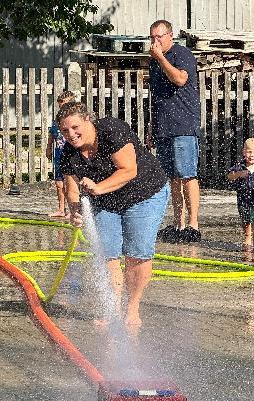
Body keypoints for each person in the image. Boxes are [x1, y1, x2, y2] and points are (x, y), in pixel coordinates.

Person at [58, 102, 170, 326]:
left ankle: (132, 308)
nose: (71, 134)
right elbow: (71, 189)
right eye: (64, 131)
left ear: (88, 120)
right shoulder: (68, 153)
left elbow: (129, 170)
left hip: (144, 194)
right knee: (107, 252)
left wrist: (98, 188)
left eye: (75, 127)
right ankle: (113, 307)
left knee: (137, 252)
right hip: (107, 201)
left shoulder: (111, 130)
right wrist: (75, 211)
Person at [148, 19, 202, 243]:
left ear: (170, 36)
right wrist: (152, 127)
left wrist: (160, 58)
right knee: (171, 177)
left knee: (187, 175)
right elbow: (157, 97)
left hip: (183, 126)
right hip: (163, 126)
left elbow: (180, 79)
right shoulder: (153, 62)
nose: (155, 41)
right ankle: (178, 223)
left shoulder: (182, 54)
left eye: (159, 37)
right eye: (152, 37)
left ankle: (193, 224)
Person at [227, 138, 254, 252]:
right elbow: (229, 176)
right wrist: (238, 174)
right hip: (242, 198)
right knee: (246, 219)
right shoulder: (240, 166)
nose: (252, 155)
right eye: (249, 152)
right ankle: (247, 237)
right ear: (243, 152)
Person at [46, 91, 77, 219]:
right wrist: (48, 148)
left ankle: (73, 210)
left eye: (64, 104)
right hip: (59, 154)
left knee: (71, 183)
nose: (61, 108)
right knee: (59, 183)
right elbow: (52, 134)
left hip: (71, 155)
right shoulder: (57, 120)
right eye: (60, 105)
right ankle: (61, 209)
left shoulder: (76, 119)